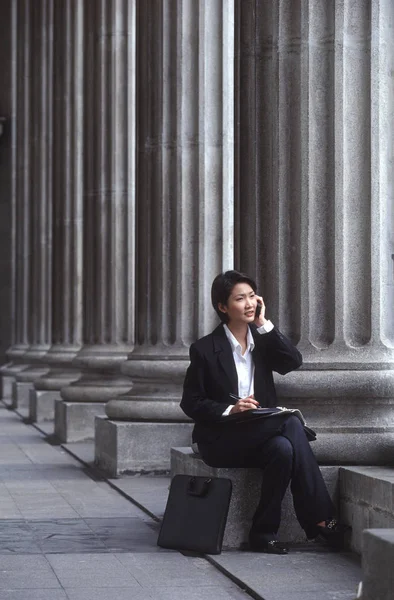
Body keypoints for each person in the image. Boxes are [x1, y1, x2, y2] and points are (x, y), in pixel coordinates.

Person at [180, 270, 348, 554]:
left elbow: (293, 361)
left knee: (283, 449)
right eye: (239, 299)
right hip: (221, 439)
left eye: (251, 297)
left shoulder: (262, 343)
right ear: (223, 307)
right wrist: (230, 409)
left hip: (260, 432)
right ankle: (320, 518)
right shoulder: (205, 349)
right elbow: (191, 401)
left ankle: (262, 533)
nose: (248, 304)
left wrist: (263, 323)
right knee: (291, 424)